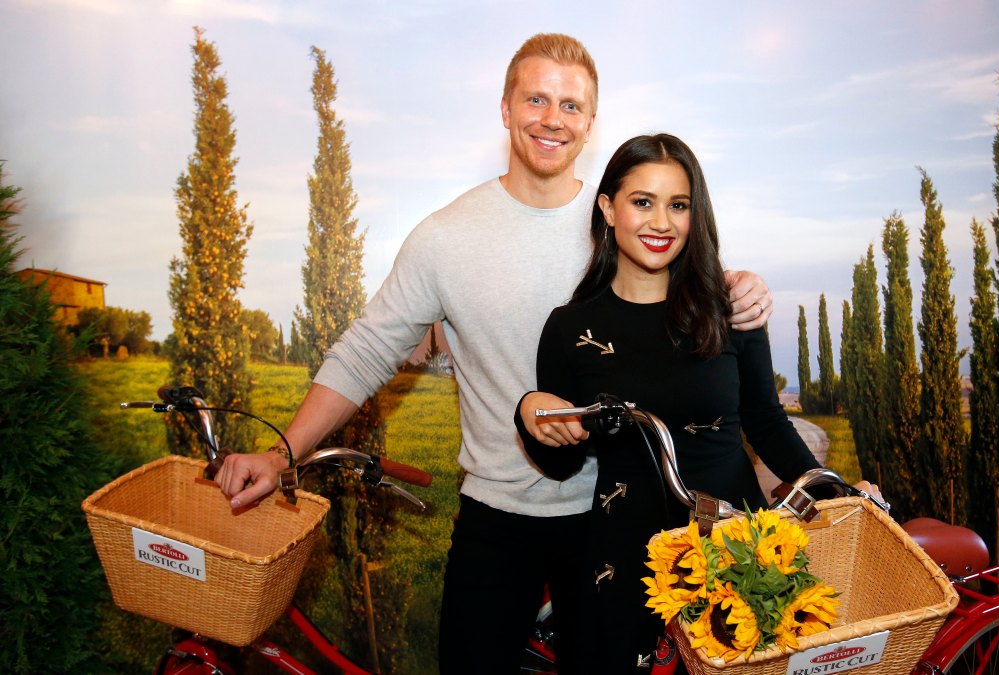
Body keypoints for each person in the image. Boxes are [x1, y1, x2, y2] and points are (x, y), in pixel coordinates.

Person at [214, 35, 775, 673]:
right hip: (498, 513)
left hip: (612, 517)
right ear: (505, 109)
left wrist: (740, 287)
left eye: (570, 105)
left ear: (590, 123)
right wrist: (282, 452)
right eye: (536, 99)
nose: (552, 119)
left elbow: (694, 298)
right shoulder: (444, 238)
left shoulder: (629, 220)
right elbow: (366, 350)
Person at [517, 134, 879, 674]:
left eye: (679, 205)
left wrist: (841, 494)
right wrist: (530, 413)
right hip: (622, 559)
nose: (661, 222)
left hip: (735, 551)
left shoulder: (730, 310)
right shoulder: (570, 328)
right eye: (643, 202)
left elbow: (767, 423)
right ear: (608, 209)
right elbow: (563, 462)